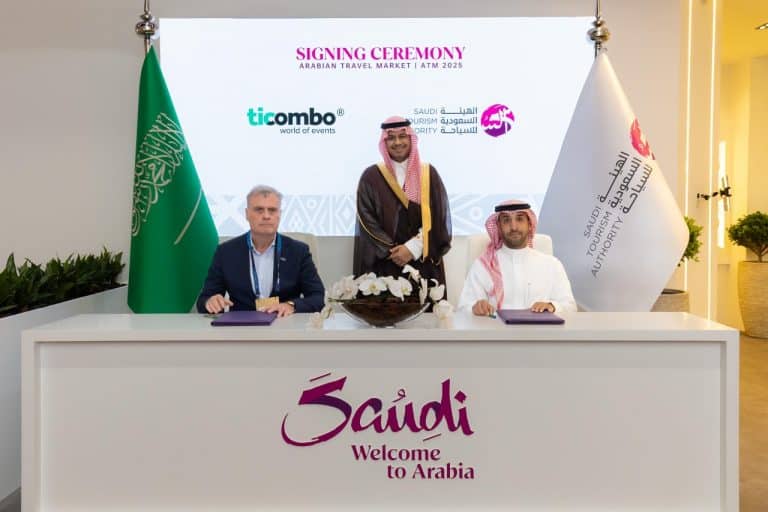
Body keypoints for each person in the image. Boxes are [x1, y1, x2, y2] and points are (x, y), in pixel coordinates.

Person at [196, 185, 324, 317]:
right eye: (259, 210)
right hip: (241, 326)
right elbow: (204, 300)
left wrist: (291, 305)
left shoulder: (298, 251)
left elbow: (318, 298)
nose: (266, 216)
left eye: (272, 210)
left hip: (284, 324)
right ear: (247, 214)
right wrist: (210, 302)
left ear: (279, 214)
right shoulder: (226, 252)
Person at [354, 116, 451, 286]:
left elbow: (437, 217)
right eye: (391, 137)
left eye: (402, 136)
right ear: (384, 142)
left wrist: (412, 248)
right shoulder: (371, 176)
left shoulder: (428, 174)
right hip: (384, 265)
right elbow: (367, 220)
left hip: (421, 262)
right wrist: (393, 251)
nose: (397, 142)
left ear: (411, 138)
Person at [458, 200, 577, 316]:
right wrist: (475, 308)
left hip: (539, 330)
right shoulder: (483, 265)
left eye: (519, 219)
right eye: (506, 220)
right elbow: (463, 308)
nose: (513, 227)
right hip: (496, 329)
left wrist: (552, 306)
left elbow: (570, 307)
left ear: (529, 224)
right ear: (498, 226)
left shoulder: (552, 265)